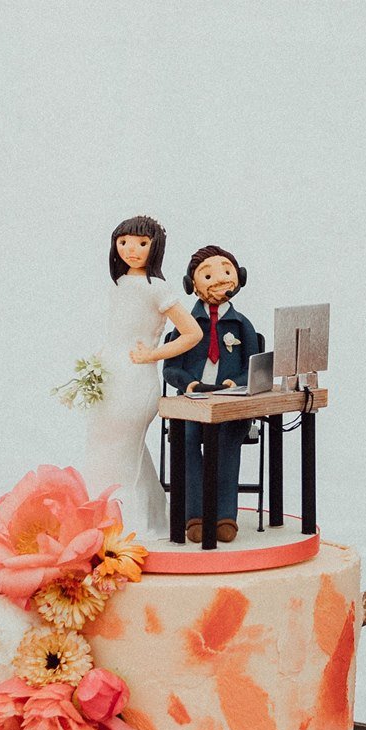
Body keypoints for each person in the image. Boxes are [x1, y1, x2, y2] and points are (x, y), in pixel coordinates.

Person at [83, 215, 203, 539]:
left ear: (155, 246)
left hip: (136, 380)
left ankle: (124, 528)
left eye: (141, 243)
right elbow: (117, 330)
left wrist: (152, 354)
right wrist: (100, 360)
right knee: (105, 444)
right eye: (123, 242)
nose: (131, 249)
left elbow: (192, 333)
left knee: (120, 448)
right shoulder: (119, 285)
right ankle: (148, 516)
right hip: (111, 375)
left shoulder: (158, 288)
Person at [164, 243, 264, 544]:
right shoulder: (185, 324)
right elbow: (171, 368)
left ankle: (224, 516)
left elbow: (255, 366)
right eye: (207, 275)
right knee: (188, 442)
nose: (219, 279)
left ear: (239, 277)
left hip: (230, 404)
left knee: (226, 444)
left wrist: (237, 382)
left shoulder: (242, 324)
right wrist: (188, 383)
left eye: (226, 271)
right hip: (193, 403)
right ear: (191, 285)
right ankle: (194, 515)